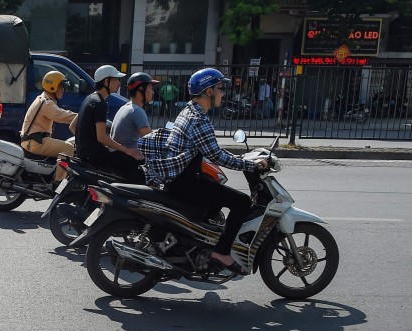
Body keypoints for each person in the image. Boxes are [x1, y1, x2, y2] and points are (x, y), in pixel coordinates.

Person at [140, 68, 268, 275]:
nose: (222, 94)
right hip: (184, 182)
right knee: (242, 202)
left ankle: (199, 246)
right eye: (220, 89)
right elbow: (216, 155)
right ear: (209, 91)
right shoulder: (199, 119)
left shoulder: (189, 110)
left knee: (216, 195)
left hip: (179, 179)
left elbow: (211, 148)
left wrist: (240, 159)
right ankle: (222, 252)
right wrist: (251, 165)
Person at [73, 65, 142, 181]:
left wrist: (86, 141)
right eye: (116, 80)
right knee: (136, 162)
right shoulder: (100, 103)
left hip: (83, 154)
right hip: (96, 157)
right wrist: (126, 149)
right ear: (106, 81)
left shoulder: (89, 98)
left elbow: (73, 126)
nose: (119, 83)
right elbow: (102, 138)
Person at [19, 70, 77, 166]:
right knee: (68, 148)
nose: (63, 90)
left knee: (69, 143)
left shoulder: (44, 99)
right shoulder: (46, 103)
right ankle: (59, 180)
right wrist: (82, 116)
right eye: (61, 87)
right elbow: (62, 116)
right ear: (53, 87)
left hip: (34, 141)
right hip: (35, 143)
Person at [110, 72, 159, 158]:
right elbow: (151, 140)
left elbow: (147, 132)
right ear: (141, 89)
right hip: (129, 157)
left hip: (118, 155)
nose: (152, 92)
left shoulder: (126, 107)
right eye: (150, 88)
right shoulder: (137, 111)